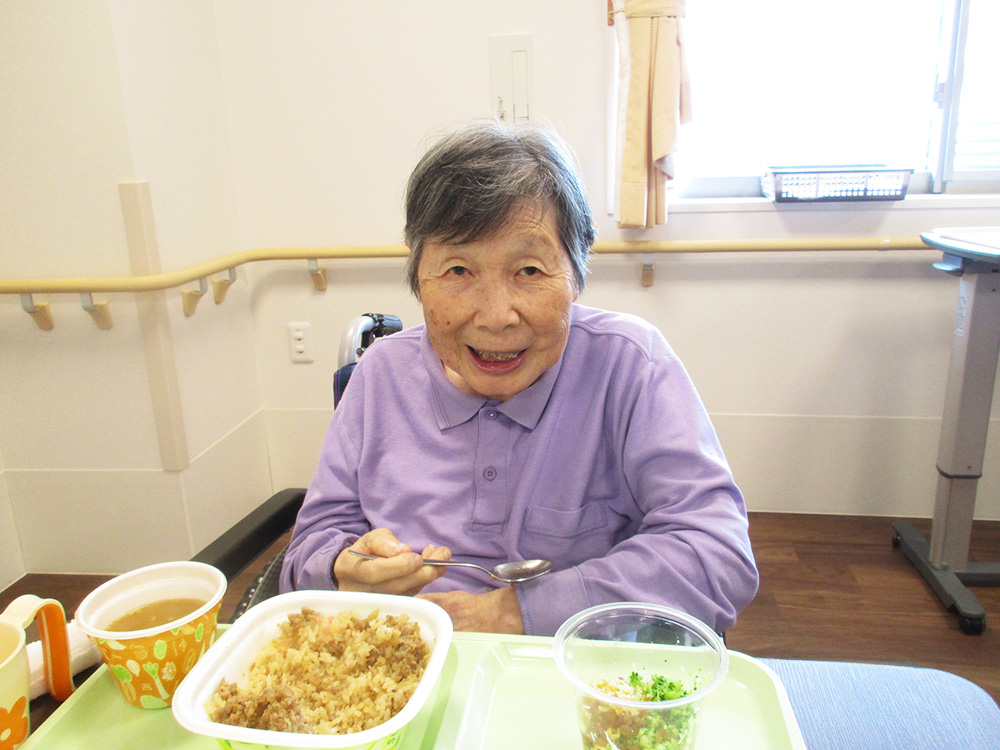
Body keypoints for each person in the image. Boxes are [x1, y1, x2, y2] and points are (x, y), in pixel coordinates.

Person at [280, 120, 758, 636]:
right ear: (418, 279)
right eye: (458, 271)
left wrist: (513, 613)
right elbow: (306, 553)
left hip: (573, 668)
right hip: (398, 664)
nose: (495, 316)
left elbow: (715, 553)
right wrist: (339, 570)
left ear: (575, 275)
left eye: (529, 271)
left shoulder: (630, 366)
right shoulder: (379, 376)